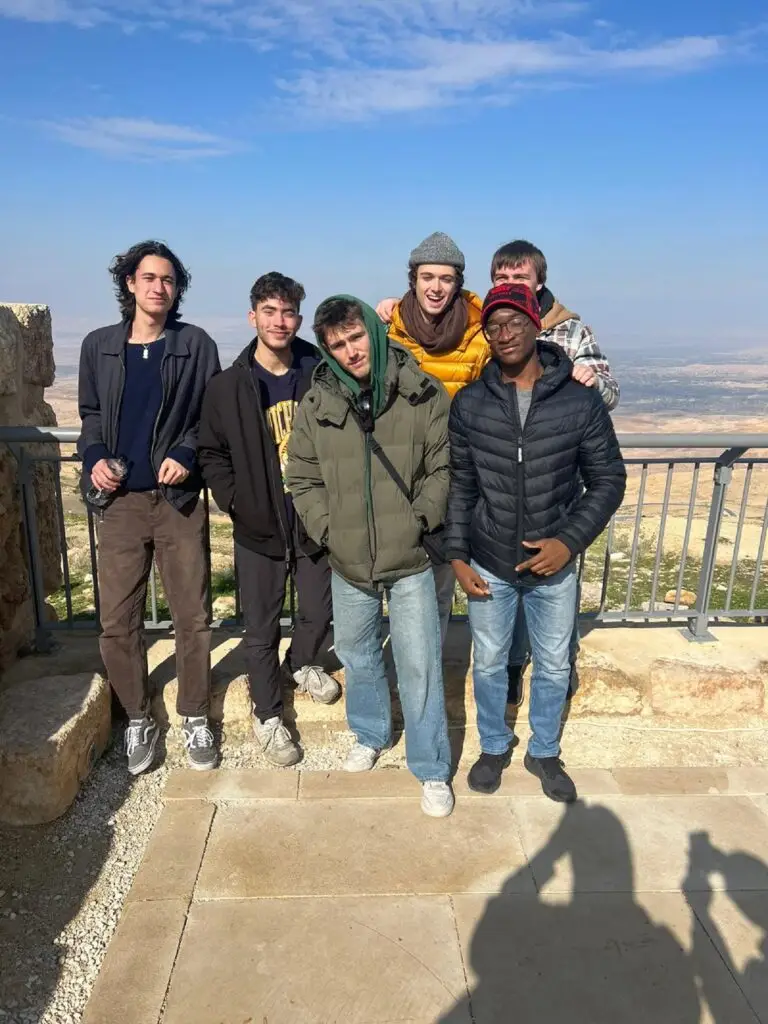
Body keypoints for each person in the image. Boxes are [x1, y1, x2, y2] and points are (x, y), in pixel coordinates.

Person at [444, 283, 626, 802]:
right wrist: (458, 555)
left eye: (515, 323)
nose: (504, 334)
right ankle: (495, 746)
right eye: (494, 326)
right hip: (490, 557)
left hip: (554, 565)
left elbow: (608, 479)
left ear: (535, 326)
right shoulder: (471, 404)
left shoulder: (578, 401)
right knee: (491, 659)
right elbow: (462, 484)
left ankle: (544, 750)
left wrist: (567, 543)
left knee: (552, 662)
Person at [285, 295, 454, 817]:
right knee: (356, 656)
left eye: (356, 337)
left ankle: (430, 768)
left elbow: (443, 469)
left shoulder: (423, 393)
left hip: (411, 561)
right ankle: (370, 732)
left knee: (420, 663)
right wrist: (330, 531)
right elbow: (302, 476)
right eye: (337, 344)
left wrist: (420, 520)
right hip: (349, 561)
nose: (350, 351)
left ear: (373, 336)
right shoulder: (317, 404)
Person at [77, 240, 221, 776]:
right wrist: (93, 456)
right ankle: (138, 715)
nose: (159, 287)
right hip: (120, 502)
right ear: (130, 284)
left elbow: (211, 415)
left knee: (193, 616)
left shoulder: (196, 345)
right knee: (117, 621)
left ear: (176, 289)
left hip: (178, 500)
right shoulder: (99, 347)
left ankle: (194, 715)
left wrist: (186, 453)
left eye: (168, 280)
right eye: (150, 278)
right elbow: (91, 413)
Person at [197, 273, 340, 767]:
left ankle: (302, 664)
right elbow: (211, 451)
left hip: (315, 520)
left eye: (289, 312)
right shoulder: (230, 385)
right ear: (252, 316)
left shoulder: (321, 372)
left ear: (299, 317)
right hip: (259, 525)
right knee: (259, 629)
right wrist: (234, 500)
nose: (281, 322)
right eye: (271, 312)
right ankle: (268, 716)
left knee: (320, 612)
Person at [490, 240, 621, 706]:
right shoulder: (484, 321)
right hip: (505, 479)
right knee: (509, 575)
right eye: (501, 280)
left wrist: (591, 381)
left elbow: (609, 390)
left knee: (556, 574)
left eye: (518, 279)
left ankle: (556, 664)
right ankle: (510, 664)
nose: (509, 287)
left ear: (539, 281)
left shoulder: (570, 330)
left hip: (560, 478)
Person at [375, 231, 489, 638]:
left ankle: (428, 682)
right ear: (413, 279)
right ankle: (402, 671)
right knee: (398, 585)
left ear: (458, 282)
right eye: (427, 277)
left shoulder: (480, 333)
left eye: (445, 278)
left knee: (441, 586)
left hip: (453, 475)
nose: (436, 287)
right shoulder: (389, 327)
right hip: (396, 475)